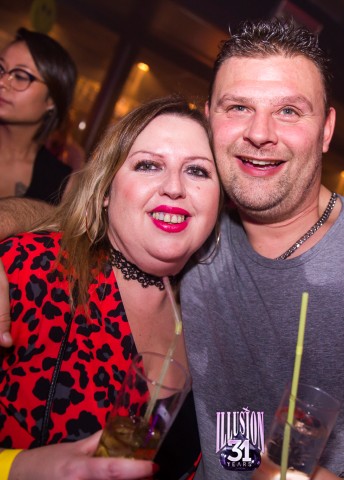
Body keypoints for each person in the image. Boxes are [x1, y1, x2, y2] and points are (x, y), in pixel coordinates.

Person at [1, 17, 344, 480]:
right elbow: (83, 211)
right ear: (211, 119)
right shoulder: (197, 241)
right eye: (238, 107)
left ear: (327, 129)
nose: (260, 133)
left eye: (289, 111)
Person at [0, 95, 220, 479]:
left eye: (197, 171)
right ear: (105, 191)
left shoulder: (211, 322)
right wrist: (18, 468)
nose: (174, 187)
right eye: (148, 165)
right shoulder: (29, 271)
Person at [0, 27, 76, 204]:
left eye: (20, 76)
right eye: (1, 69)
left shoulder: (61, 184)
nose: (2, 82)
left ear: (52, 100)